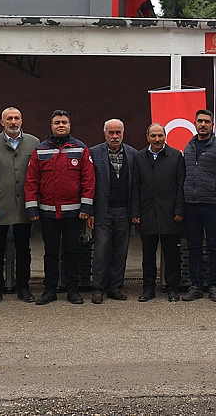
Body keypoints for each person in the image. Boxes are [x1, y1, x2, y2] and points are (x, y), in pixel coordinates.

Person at [25, 110, 95, 306]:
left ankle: (72, 289)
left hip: (73, 213)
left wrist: (86, 207)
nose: (61, 125)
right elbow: (31, 181)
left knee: (72, 251)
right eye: (57, 122)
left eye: (64, 122)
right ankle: (49, 290)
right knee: (51, 252)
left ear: (70, 125)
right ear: (52, 126)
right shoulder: (40, 150)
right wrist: (32, 208)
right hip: (48, 212)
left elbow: (88, 180)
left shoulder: (80, 149)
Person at [0, 107, 39, 304]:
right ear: (2, 122)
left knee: (24, 249)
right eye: (9, 119)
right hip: (0, 205)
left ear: (22, 120)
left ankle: (23, 287)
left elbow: (37, 176)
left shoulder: (34, 143)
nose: (13, 122)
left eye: (16, 118)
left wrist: (34, 205)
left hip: (25, 205)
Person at [181, 109, 216, 302]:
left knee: (213, 246)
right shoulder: (188, 147)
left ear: (213, 125)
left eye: (207, 122)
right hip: (191, 204)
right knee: (193, 245)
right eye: (200, 121)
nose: (203, 124)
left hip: (212, 205)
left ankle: (214, 286)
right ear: (194, 123)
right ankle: (195, 285)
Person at [131, 123, 185, 302]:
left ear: (165, 136)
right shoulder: (139, 157)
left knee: (171, 255)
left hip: (170, 214)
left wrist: (179, 209)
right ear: (147, 137)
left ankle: (172, 288)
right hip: (147, 213)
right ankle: (148, 289)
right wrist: (135, 212)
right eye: (153, 136)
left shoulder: (176, 156)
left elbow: (180, 186)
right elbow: (135, 187)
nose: (157, 139)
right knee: (148, 255)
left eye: (160, 135)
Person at [88, 119, 137, 304]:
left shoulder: (132, 154)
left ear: (123, 133)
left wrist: (134, 212)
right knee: (101, 251)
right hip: (102, 210)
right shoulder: (93, 153)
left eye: (118, 132)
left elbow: (136, 186)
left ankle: (115, 287)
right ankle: (98, 289)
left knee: (120, 251)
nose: (114, 136)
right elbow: (88, 185)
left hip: (124, 210)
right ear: (104, 133)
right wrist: (90, 211)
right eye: (111, 132)